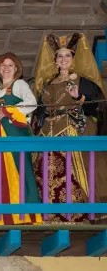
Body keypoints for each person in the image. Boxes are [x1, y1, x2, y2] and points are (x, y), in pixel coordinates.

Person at [32, 33, 107, 224]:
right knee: (43, 172)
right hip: (46, 135)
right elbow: (39, 112)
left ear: (73, 59)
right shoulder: (47, 84)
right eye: (59, 56)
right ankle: (46, 216)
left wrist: (78, 97)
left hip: (71, 131)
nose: (63, 59)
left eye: (67, 56)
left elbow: (96, 108)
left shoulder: (85, 82)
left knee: (71, 172)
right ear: (55, 61)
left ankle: (76, 215)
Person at [0, 52, 41, 225]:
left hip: (14, 134)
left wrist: (9, 110)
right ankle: (2, 218)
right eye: (2, 65)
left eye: (10, 65)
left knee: (19, 171)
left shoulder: (19, 84)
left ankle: (26, 217)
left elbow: (32, 103)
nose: (6, 68)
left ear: (16, 69)